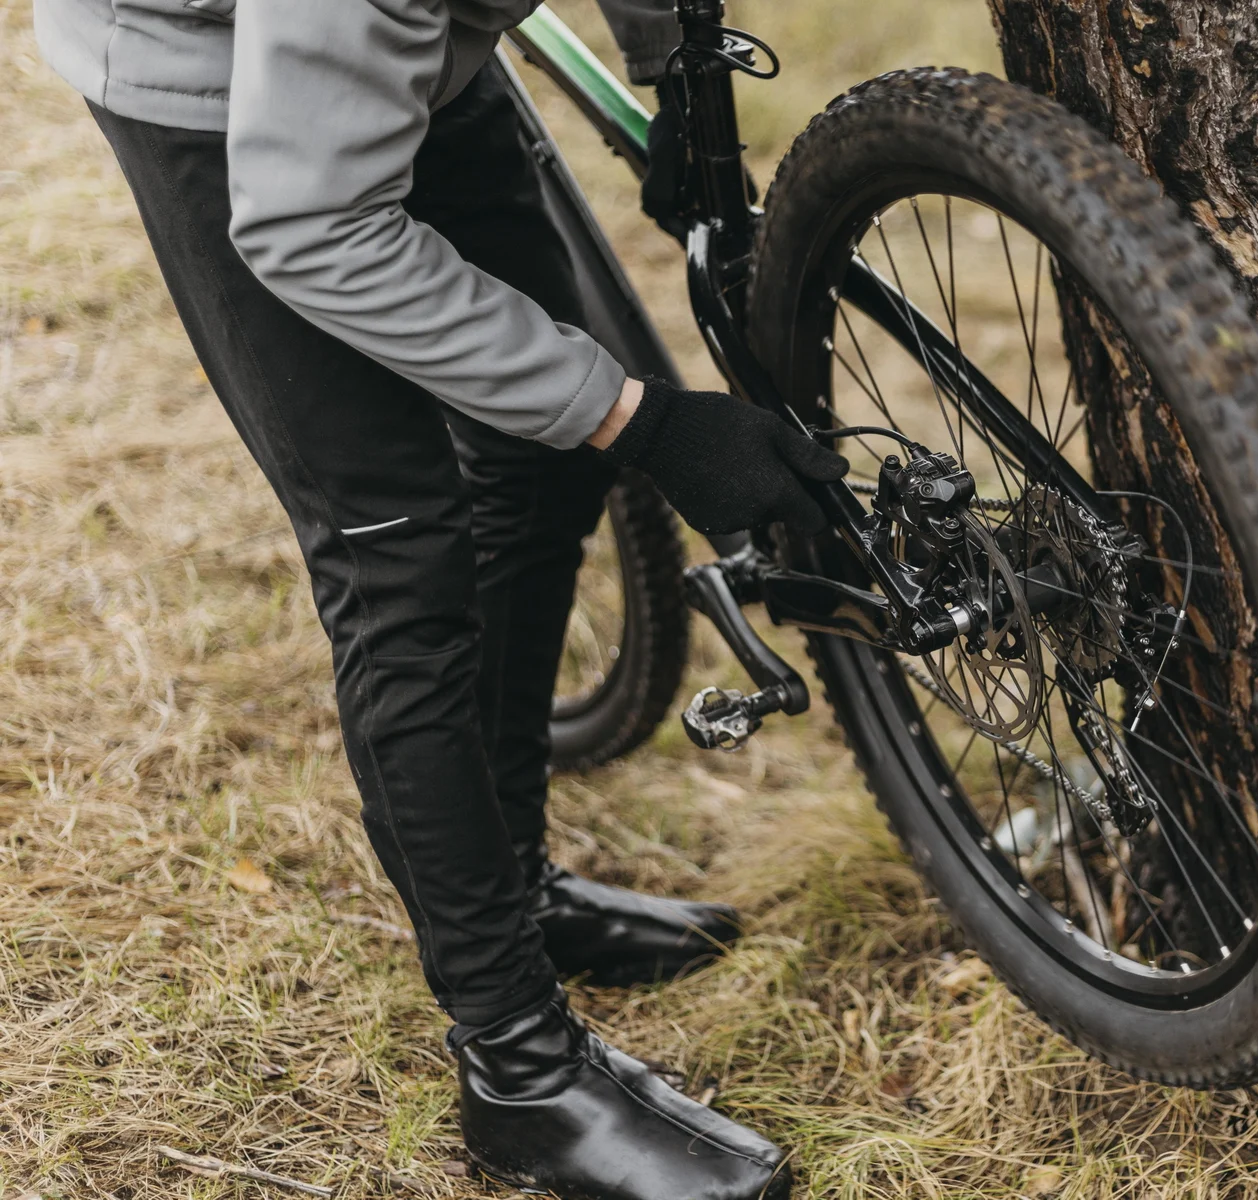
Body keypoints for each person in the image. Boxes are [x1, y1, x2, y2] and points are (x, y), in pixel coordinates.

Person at [31, 0, 847, 1196]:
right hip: (216, 94)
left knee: (539, 454)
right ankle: (519, 1076)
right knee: (392, 559)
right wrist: (649, 422)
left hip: (377, 49)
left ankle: (512, 889)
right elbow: (309, 227)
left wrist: (671, 62)